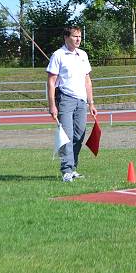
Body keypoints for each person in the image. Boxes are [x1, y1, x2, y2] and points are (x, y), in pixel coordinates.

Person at [46, 26, 97, 183]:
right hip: (65, 100)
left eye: (80, 36)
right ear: (66, 37)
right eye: (75, 36)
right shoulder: (58, 55)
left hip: (81, 101)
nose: (78, 39)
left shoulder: (83, 55)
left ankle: (73, 168)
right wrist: (52, 105)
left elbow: (87, 80)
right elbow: (51, 81)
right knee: (66, 136)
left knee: (79, 135)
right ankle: (66, 170)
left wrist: (91, 102)